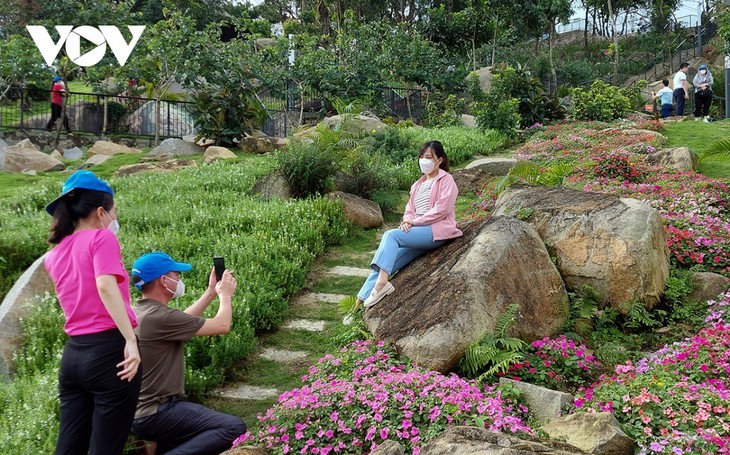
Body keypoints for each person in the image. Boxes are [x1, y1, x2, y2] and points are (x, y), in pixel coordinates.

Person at [43, 170, 141, 454]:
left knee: (69, 446)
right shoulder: (102, 239)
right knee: (106, 447)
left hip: (73, 356)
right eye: (113, 212)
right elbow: (105, 286)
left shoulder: (55, 253)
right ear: (101, 212)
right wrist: (131, 341)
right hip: (110, 352)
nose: (114, 219)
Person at [130, 252, 246, 455]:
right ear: (163, 280)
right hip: (157, 412)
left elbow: (183, 320)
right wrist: (225, 296)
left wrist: (211, 291)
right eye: (176, 274)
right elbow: (222, 324)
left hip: (143, 411)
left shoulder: (142, 312)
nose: (179, 279)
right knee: (233, 428)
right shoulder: (159, 317)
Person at [355, 141, 463, 309]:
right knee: (386, 262)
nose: (424, 160)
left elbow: (442, 209)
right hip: (417, 233)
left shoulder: (446, 180)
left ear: (439, 160)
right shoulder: (417, 185)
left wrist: (414, 222)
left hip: (436, 231)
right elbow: (409, 209)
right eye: (421, 157)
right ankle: (357, 305)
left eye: (429, 157)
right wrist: (407, 221)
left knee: (391, 235)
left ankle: (383, 284)